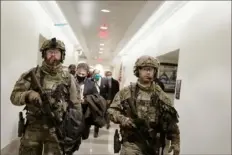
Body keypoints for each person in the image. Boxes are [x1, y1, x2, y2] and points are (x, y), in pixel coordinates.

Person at [10, 37, 82, 155]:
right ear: (44, 54)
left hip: (57, 127)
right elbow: (14, 97)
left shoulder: (68, 78)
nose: (53, 55)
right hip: (33, 128)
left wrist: (76, 131)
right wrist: (28, 95)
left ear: (62, 55)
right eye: (50, 52)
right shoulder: (31, 75)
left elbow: (76, 106)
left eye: (56, 52)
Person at [108, 55, 180, 155]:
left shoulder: (161, 95)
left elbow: (170, 121)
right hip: (131, 141)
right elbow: (111, 111)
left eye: (151, 70)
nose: (148, 72)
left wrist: (175, 142)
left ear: (155, 72)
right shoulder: (127, 92)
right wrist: (123, 119)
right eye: (145, 69)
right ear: (138, 71)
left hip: (152, 142)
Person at [92, 69, 110, 137]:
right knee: (97, 114)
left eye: (98, 73)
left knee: (105, 113)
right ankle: (96, 131)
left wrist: (108, 98)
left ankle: (107, 122)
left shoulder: (104, 80)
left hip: (103, 99)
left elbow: (108, 90)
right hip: (94, 100)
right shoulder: (90, 80)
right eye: (95, 73)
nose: (96, 75)